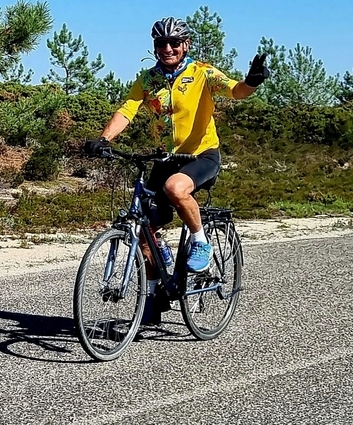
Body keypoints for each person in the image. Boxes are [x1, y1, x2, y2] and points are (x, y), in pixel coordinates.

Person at [85, 17, 268, 280]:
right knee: (143, 231)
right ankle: (152, 296)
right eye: (161, 43)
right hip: (166, 158)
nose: (167, 48)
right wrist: (104, 139)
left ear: (186, 44)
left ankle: (201, 241)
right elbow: (127, 110)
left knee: (175, 188)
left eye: (174, 43)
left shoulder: (202, 73)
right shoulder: (147, 80)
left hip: (201, 155)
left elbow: (235, 91)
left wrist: (251, 81)